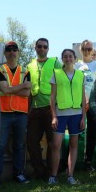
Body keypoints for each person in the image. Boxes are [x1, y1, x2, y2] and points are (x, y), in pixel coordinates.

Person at [0, 41, 31, 188]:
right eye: (9, 50)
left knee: (19, 145)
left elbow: (27, 93)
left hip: (21, 113)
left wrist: (12, 88)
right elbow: (5, 90)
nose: (12, 52)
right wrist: (22, 86)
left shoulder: (25, 71)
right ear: (5, 53)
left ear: (18, 52)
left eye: (15, 50)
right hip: (3, 113)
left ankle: (19, 173)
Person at [26, 38, 62, 179]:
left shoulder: (55, 62)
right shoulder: (29, 65)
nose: (42, 49)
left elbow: (62, 82)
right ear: (35, 48)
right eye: (39, 46)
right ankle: (39, 170)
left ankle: (51, 171)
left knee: (53, 142)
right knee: (31, 141)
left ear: (48, 48)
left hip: (50, 108)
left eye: (44, 47)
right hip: (34, 108)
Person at [49, 49, 86, 185]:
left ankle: (70, 175)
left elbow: (83, 97)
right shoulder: (56, 74)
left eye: (70, 56)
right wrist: (54, 116)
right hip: (60, 113)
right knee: (56, 144)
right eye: (65, 56)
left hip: (76, 114)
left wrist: (83, 117)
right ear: (62, 59)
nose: (68, 59)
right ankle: (53, 176)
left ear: (75, 59)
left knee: (73, 144)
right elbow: (52, 97)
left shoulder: (80, 75)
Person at [74, 40, 96, 171]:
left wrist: (89, 101)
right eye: (84, 49)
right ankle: (74, 161)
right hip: (77, 103)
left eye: (89, 49)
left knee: (91, 133)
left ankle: (88, 161)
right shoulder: (76, 66)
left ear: (92, 50)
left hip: (92, 104)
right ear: (80, 50)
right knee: (76, 132)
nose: (86, 51)